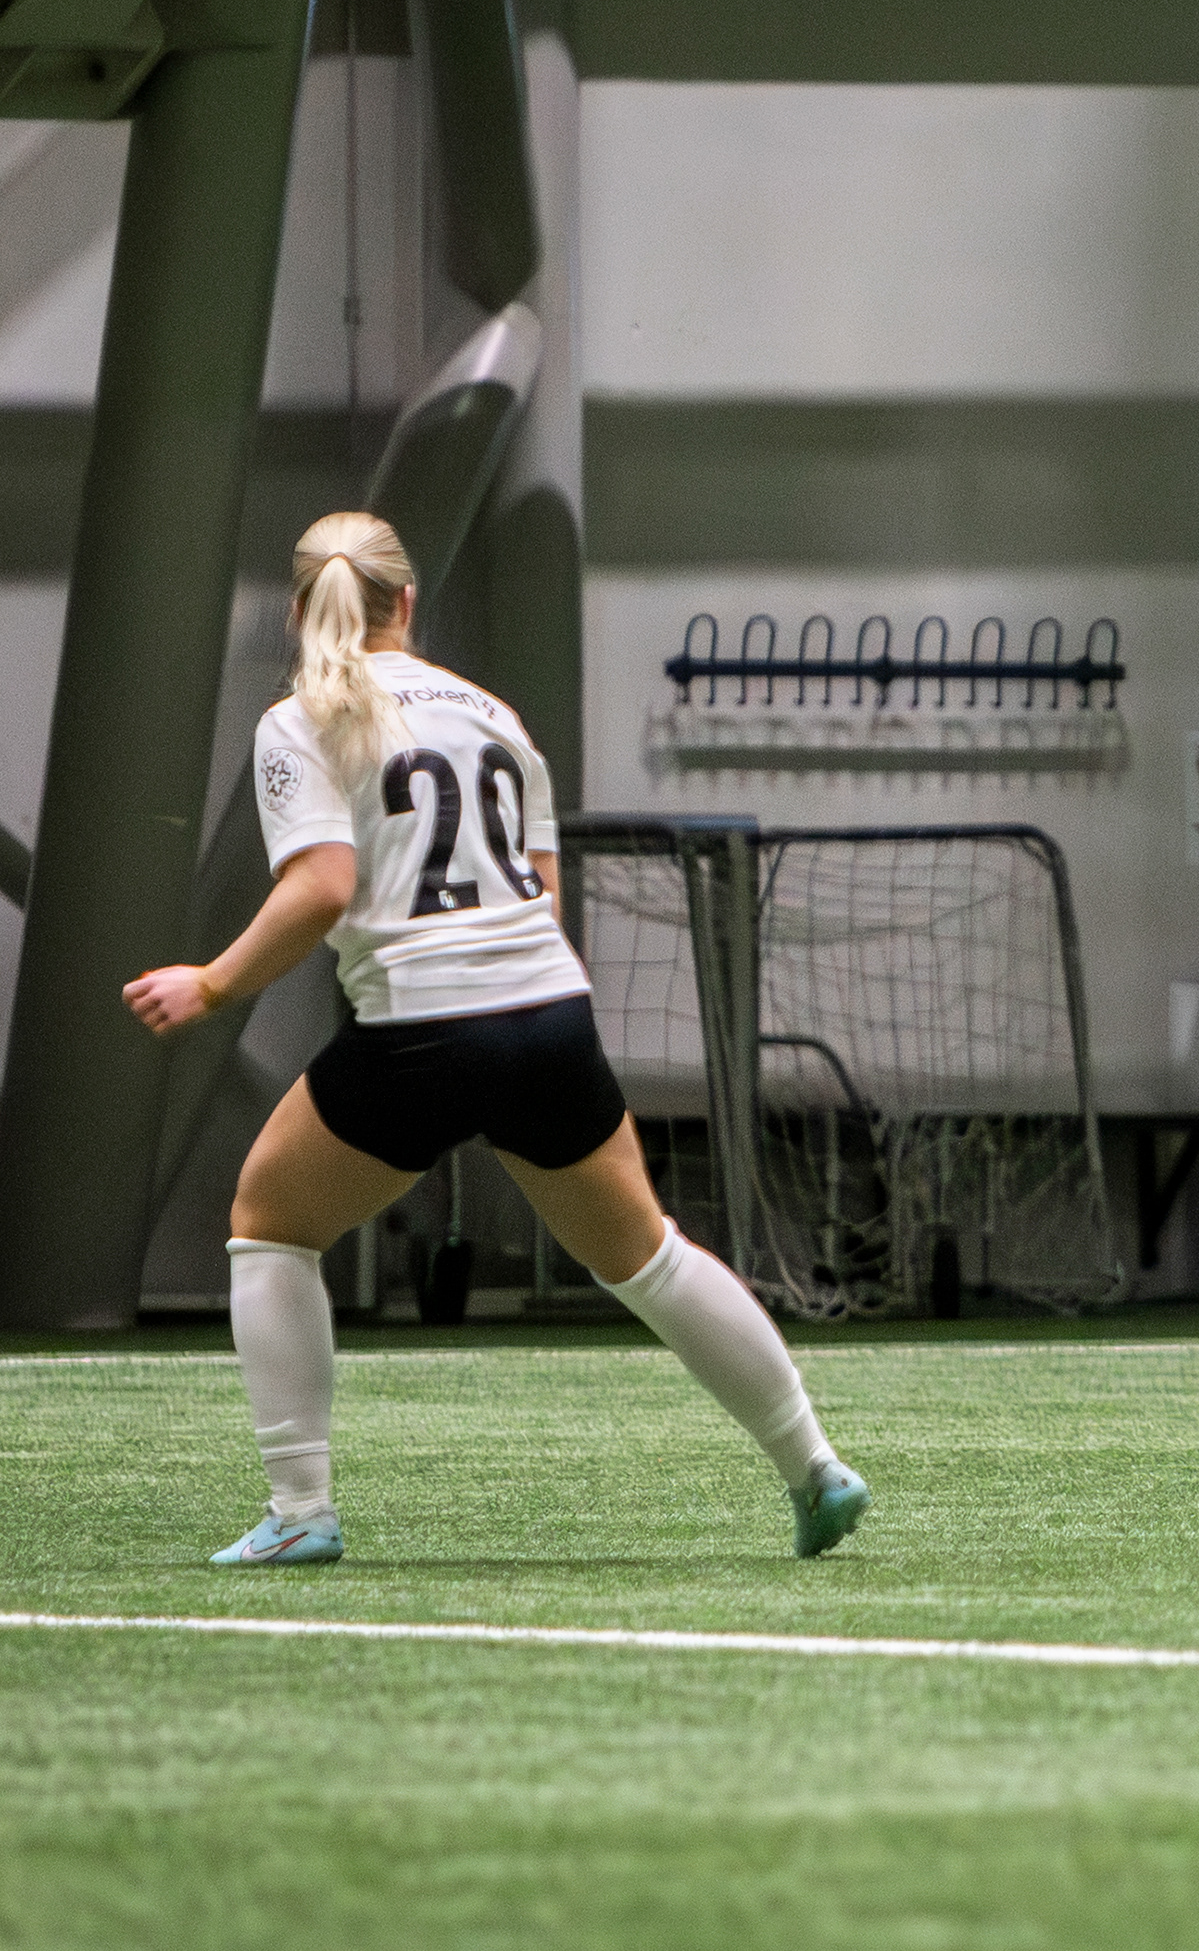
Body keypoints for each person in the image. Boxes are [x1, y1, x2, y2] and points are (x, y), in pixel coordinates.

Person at [121, 512, 871, 1568]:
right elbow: (543, 900)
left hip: (420, 1028)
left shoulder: (300, 720)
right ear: (407, 601)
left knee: (270, 1225)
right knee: (649, 1255)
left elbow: (323, 886)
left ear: (300, 611)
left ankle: (301, 1511)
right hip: (548, 1016)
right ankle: (816, 1467)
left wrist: (211, 981)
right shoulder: (495, 716)